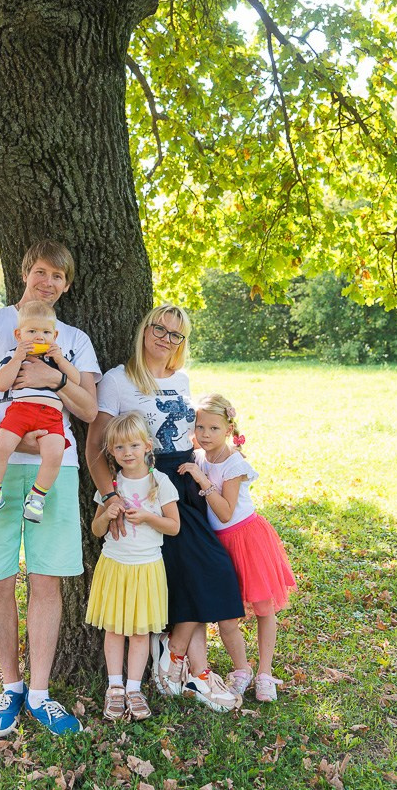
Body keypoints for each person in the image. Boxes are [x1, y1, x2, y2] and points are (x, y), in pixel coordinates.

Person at [0, 240, 101, 737]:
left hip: (55, 473)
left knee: (46, 578)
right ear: (25, 273)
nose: (48, 282)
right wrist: (9, 440)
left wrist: (54, 380)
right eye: (41, 272)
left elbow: (89, 410)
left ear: (67, 285)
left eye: (59, 277)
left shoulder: (73, 338)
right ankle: (10, 687)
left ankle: (40, 694)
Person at [86, 305, 244, 713]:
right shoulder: (118, 380)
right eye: (159, 328)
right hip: (150, 483)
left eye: (176, 334)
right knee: (198, 571)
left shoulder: (183, 378)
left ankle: (183, 663)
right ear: (144, 329)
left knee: (202, 571)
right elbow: (95, 449)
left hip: (186, 482)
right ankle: (189, 668)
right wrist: (111, 496)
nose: (165, 338)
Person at [178, 393, 297, 702]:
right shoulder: (201, 455)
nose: (205, 435)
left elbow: (226, 512)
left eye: (213, 429)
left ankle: (265, 674)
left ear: (228, 429)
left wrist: (202, 479)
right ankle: (241, 669)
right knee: (227, 616)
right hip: (219, 546)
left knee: (262, 607)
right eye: (200, 427)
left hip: (247, 539)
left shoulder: (234, 463)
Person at [86, 412, 180, 721]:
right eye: (120, 448)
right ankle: (114, 687)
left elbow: (173, 527)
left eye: (134, 446)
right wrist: (107, 513)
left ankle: (134, 688)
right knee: (114, 629)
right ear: (111, 452)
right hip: (115, 565)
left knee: (140, 633)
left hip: (147, 567)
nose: (128, 453)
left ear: (147, 446)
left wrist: (148, 517)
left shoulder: (160, 483)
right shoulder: (111, 485)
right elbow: (96, 531)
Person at [0, 300, 81, 524]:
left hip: (51, 417)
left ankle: (37, 497)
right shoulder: (13, 355)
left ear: (55, 335)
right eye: (31, 331)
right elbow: (1, 384)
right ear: (19, 335)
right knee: (1, 445)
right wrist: (16, 358)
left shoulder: (57, 360)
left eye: (45, 332)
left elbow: (76, 380)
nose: (39, 337)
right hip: (20, 411)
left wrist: (60, 360)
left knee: (55, 453)